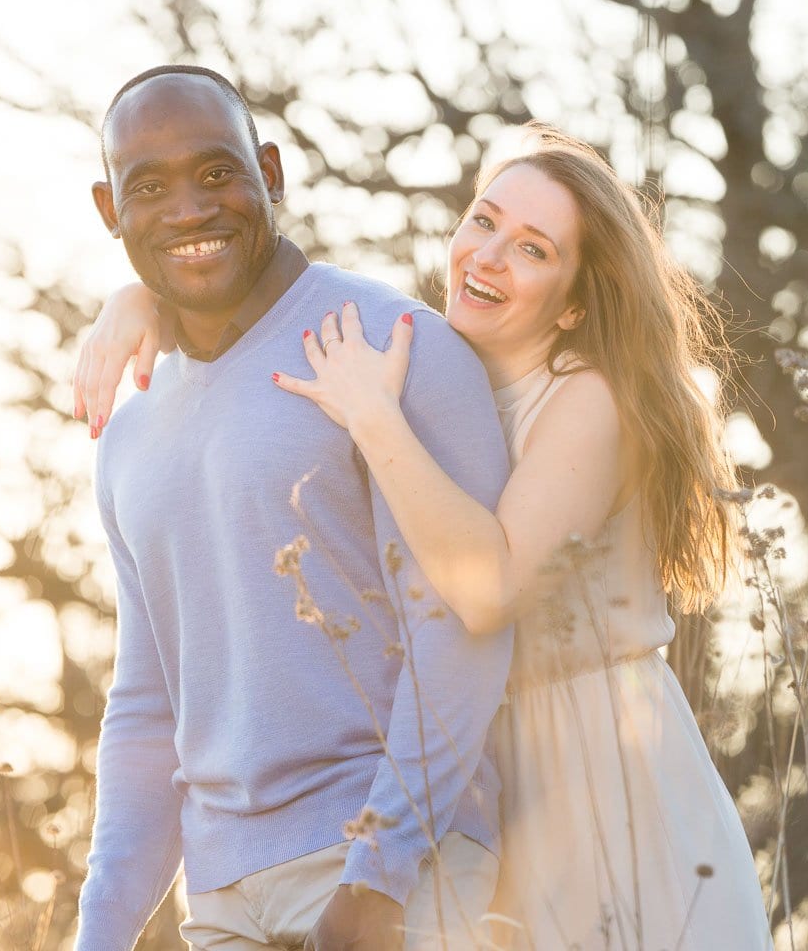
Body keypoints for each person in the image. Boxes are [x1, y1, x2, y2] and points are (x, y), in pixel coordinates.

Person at [77, 123, 773, 949]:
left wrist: (375, 419)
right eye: (482, 222)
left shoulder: (587, 400)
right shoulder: (440, 359)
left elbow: (486, 592)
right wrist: (149, 294)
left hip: (588, 763)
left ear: (578, 300)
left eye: (533, 249)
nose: (487, 257)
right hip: (471, 758)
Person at [74, 64, 514, 951]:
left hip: (400, 877)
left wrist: (379, 874)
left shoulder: (391, 343)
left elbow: (460, 626)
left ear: (269, 173)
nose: (190, 209)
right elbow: (149, 705)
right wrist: (100, 932)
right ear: (109, 209)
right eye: (149, 188)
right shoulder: (129, 432)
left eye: (217, 172)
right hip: (224, 900)